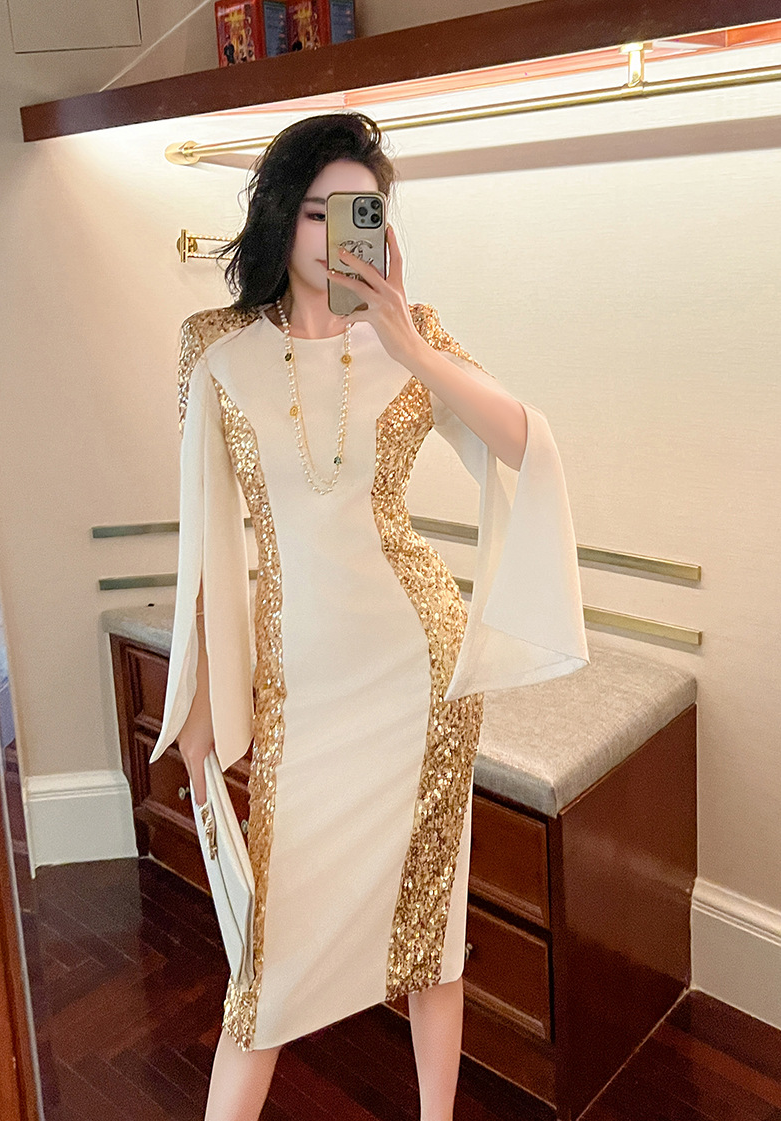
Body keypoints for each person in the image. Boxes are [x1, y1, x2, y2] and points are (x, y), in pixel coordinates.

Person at [149, 112, 589, 1121]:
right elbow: (206, 547)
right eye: (315, 211)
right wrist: (201, 708)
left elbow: (528, 446)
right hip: (300, 687)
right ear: (280, 215)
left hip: (416, 671)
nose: (334, 235)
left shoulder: (412, 337)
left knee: (430, 930)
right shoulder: (213, 349)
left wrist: (407, 345)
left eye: (359, 211)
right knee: (263, 971)